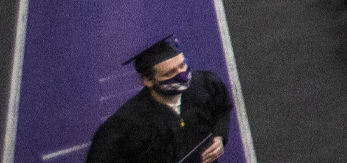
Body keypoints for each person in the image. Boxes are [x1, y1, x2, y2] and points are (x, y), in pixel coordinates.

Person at [87, 37, 236, 163]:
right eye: (170, 73)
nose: (182, 76)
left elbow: (222, 109)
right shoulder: (125, 124)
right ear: (148, 81)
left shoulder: (205, 84)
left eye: (182, 65)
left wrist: (219, 136)